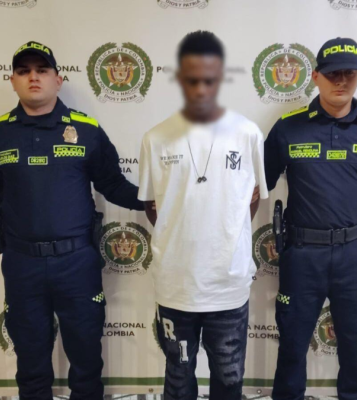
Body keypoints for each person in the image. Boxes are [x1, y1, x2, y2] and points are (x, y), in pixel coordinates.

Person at [0, 41, 144, 400]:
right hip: (22, 264)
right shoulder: (0, 132)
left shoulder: (87, 129)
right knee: (30, 360)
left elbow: (112, 184)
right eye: (23, 71)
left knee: (86, 358)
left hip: (76, 263)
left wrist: (156, 200)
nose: (33, 77)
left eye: (42, 70)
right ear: (12, 81)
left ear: (58, 79)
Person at [264, 37, 357, 400]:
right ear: (316, 77)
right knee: (292, 347)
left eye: (349, 74)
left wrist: (346, 210)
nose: (340, 81)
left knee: (355, 348)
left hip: (354, 255)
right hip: (302, 254)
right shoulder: (288, 128)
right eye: (332, 73)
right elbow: (262, 180)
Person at [138, 31, 268, 400]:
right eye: (192, 78)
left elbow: (250, 200)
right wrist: (183, 231)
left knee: (229, 380)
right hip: (176, 285)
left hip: (228, 284)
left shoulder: (247, 134)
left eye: (209, 78)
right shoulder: (155, 138)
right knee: (178, 380)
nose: (200, 87)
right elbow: (152, 206)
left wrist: (224, 231)